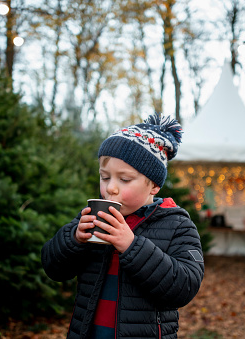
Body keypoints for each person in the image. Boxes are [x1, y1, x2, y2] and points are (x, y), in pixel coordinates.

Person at [41, 114, 205, 339]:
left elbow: (184, 287)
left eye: (124, 180)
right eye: (105, 177)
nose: (111, 189)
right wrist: (74, 239)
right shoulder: (90, 218)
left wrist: (132, 246)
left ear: (154, 185)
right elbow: (53, 268)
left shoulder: (177, 225)